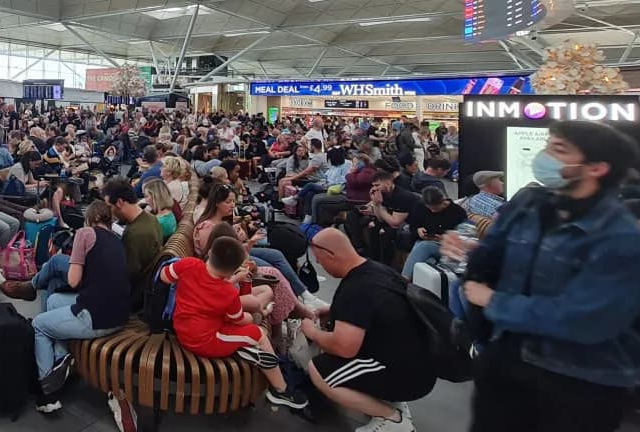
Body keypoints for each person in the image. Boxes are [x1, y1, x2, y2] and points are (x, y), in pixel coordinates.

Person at [460, 121, 640, 432]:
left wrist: (495, 302)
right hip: (507, 359)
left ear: (596, 168)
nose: (544, 155)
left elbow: (588, 318)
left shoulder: (622, 239)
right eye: (548, 145)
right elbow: (496, 260)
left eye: (559, 149)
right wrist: (472, 253)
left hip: (578, 377)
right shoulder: (530, 207)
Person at [303, 228, 435, 431]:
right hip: (422, 367)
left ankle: (393, 419)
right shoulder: (377, 270)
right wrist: (334, 310)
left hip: (405, 376)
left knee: (320, 370)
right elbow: (380, 306)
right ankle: (391, 402)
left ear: (331, 255)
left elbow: (344, 347)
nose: (319, 264)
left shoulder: (356, 288)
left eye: (319, 258)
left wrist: (312, 332)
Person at [162, 235, 308, 410]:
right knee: (258, 333)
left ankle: (246, 351)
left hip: (182, 327)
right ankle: (281, 390)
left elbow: (165, 276)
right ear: (232, 271)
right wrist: (255, 312)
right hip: (203, 340)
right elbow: (240, 320)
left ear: (209, 252)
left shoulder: (189, 264)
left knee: (246, 330)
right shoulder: (227, 293)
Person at [32, 201, 128, 414]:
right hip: (119, 315)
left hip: (96, 317)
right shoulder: (117, 240)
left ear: (90, 219)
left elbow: (73, 281)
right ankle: (59, 360)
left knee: (39, 324)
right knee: (54, 300)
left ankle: (49, 393)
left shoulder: (85, 233)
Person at [192, 183, 323, 310]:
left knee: (276, 254)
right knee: (272, 270)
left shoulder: (224, 219)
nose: (232, 205)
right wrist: (245, 242)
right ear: (216, 203)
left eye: (233, 201)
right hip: (226, 264)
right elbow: (215, 257)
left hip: (235, 256)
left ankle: (304, 294)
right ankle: (297, 303)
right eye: (228, 202)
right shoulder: (207, 227)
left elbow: (232, 249)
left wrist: (247, 240)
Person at [102, 179, 163, 310]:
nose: (110, 211)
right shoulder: (150, 219)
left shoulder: (135, 234)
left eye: (109, 207)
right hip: (141, 290)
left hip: (129, 301)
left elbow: (127, 275)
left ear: (119, 202)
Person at [401, 185, 467, 279]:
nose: (432, 210)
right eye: (429, 208)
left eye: (436, 208)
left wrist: (444, 238)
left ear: (443, 200)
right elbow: (413, 226)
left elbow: (462, 237)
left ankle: (403, 280)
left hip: (445, 247)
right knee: (428, 261)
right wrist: (418, 230)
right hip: (424, 241)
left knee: (423, 246)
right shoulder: (420, 206)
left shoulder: (457, 212)